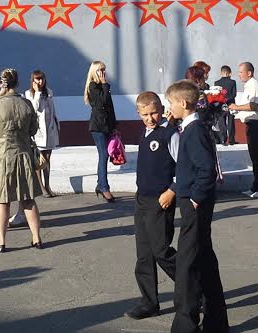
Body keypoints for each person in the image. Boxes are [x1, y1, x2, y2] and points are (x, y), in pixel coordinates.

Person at [164, 80, 229, 333]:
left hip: (195, 204)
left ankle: (186, 324)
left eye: (171, 103)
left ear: (183, 103)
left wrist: (195, 197)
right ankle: (216, 322)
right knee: (203, 260)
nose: (169, 107)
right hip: (192, 201)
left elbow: (206, 168)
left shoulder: (195, 131)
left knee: (187, 264)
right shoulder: (190, 128)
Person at [124, 92, 179, 321]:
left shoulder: (170, 134)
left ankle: (196, 288)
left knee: (162, 252)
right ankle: (149, 302)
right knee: (144, 255)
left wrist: (172, 190)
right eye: (145, 114)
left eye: (154, 113)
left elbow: (185, 166)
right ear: (138, 113)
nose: (150, 118)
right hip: (142, 200)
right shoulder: (145, 134)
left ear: (162, 109)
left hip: (161, 200)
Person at [0, 68, 43, 252]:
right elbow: (33, 129)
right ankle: (36, 238)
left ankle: (1, 241)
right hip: (23, 155)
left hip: (2, 156)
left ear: (1, 83)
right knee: (28, 199)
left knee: (3, 200)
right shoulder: (26, 104)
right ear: (17, 83)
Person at [228, 62, 258, 198]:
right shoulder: (249, 86)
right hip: (252, 124)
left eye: (241, 72)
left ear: (249, 73)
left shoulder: (254, 85)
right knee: (255, 158)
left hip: (257, 124)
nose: (239, 75)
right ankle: (256, 186)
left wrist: (236, 107)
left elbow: (254, 105)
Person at [85, 60, 117, 203]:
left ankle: (100, 184)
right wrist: (104, 84)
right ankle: (104, 187)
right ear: (94, 72)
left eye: (104, 69)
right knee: (104, 154)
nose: (103, 72)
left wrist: (115, 125)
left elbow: (110, 106)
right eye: (100, 70)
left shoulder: (104, 86)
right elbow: (102, 102)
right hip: (98, 126)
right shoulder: (93, 86)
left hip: (107, 125)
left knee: (105, 154)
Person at [24, 70, 60, 198]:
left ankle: (48, 185)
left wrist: (56, 125)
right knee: (39, 159)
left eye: (42, 79)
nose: (40, 81)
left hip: (50, 129)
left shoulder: (49, 92)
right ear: (33, 81)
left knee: (48, 159)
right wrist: (37, 92)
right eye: (37, 79)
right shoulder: (29, 93)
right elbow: (34, 108)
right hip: (38, 131)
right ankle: (41, 187)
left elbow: (52, 109)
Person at [214, 66, 237, 145]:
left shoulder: (216, 83)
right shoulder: (232, 82)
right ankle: (231, 140)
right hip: (231, 104)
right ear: (229, 73)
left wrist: (223, 100)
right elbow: (234, 94)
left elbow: (216, 95)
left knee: (221, 121)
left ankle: (223, 139)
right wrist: (227, 99)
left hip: (221, 104)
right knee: (231, 122)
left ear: (221, 73)